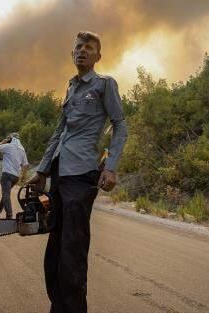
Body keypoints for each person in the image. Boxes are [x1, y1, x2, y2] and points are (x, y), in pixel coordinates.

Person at [29, 31, 128, 313]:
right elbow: (59, 131)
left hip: (82, 175)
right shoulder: (71, 86)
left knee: (72, 251)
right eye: (78, 47)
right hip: (60, 173)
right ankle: (58, 307)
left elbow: (120, 125)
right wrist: (43, 169)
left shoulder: (103, 84)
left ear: (98, 56)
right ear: (72, 53)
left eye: (88, 47)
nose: (82, 51)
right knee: (54, 250)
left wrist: (110, 167)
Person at [0, 133, 29, 219]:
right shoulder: (22, 149)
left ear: (11, 139)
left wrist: (2, 142)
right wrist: (23, 176)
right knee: (6, 194)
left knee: (6, 195)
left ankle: (9, 215)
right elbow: (26, 164)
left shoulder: (8, 146)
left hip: (7, 175)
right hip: (15, 177)